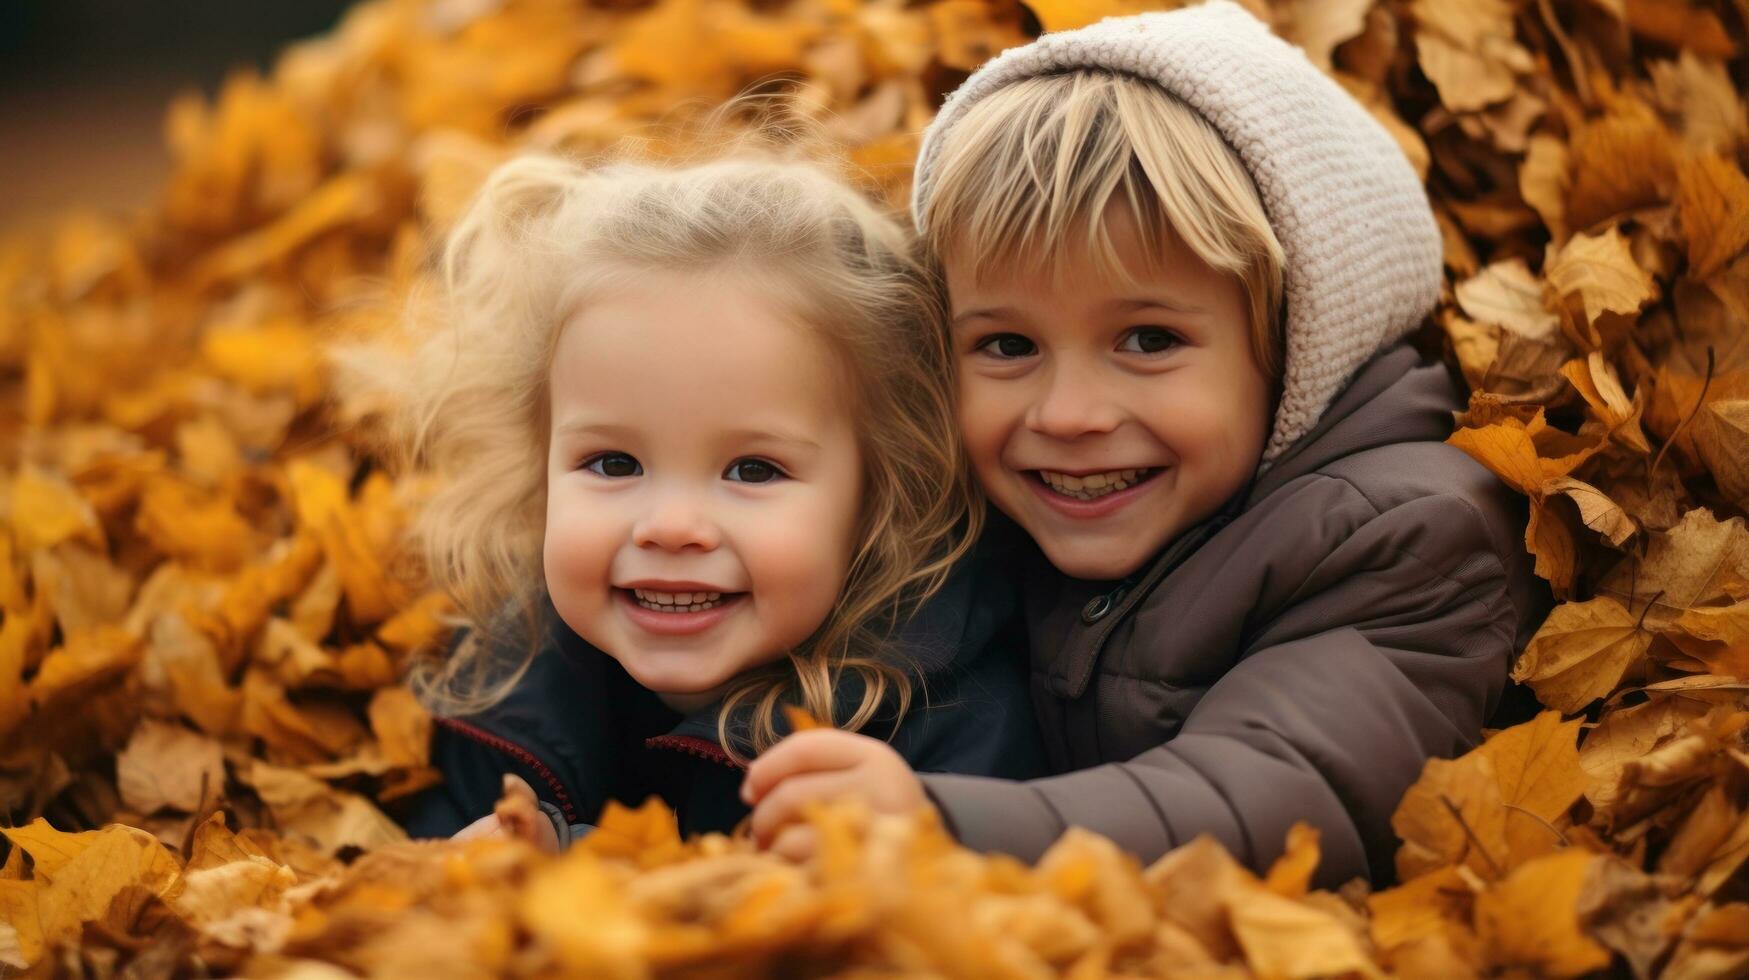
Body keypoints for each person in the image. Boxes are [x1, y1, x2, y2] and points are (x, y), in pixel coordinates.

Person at [742, 0, 1545, 886]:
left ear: (1298, 344)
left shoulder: (1407, 539)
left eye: (1148, 340)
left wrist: (941, 828)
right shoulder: (990, 493)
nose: (1069, 414)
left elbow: (1278, 793)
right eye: (1007, 345)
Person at [349, 147, 1046, 848]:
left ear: (878, 496)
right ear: (538, 468)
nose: (672, 527)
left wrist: (577, 861)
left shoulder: (944, 716)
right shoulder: (505, 688)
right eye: (613, 462)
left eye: (752, 471)